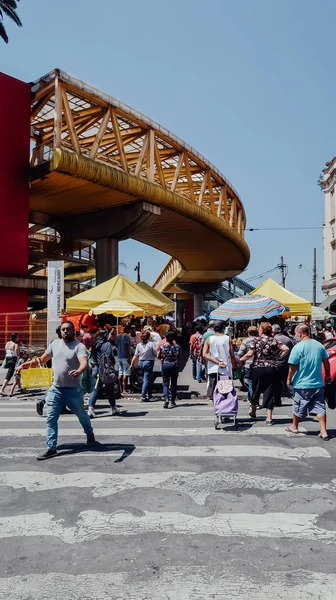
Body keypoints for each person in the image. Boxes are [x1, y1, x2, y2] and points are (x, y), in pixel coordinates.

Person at [18, 320, 95, 460]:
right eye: (63, 329)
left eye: (68, 329)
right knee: (51, 418)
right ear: (60, 331)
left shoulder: (79, 346)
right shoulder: (54, 344)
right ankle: (51, 447)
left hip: (73, 390)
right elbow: (42, 359)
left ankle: (90, 434)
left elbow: (84, 362)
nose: (65, 331)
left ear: (73, 331)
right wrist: (25, 365)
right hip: (56, 389)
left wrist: (78, 371)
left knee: (82, 415)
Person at [286, 324, 331, 439]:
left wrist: (289, 379)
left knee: (298, 405)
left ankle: (294, 426)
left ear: (300, 333)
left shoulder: (298, 347)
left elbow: (293, 366)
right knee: (320, 407)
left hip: (302, 384)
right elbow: (326, 362)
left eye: (296, 333)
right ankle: (323, 431)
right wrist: (328, 375)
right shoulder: (319, 345)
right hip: (317, 383)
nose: (295, 336)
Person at [240, 322, 290, 425]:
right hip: (271, 368)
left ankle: (253, 412)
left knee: (255, 390)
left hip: (257, 368)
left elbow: (249, 354)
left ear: (261, 330)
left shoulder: (256, 340)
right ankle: (269, 418)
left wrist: (239, 360)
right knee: (269, 391)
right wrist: (278, 357)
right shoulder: (274, 340)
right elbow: (286, 349)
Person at [202, 321, 237, 400]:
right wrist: (234, 365)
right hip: (225, 369)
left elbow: (205, 354)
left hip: (213, 369)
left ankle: (216, 407)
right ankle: (223, 408)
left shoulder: (209, 339)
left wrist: (217, 362)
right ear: (223, 328)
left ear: (213, 329)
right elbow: (232, 354)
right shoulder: (228, 339)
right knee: (225, 392)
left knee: (213, 393)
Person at [87, 334, 119, 418]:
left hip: (96, 368)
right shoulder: (107, 345)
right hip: (105, 369)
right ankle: (113, 407)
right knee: (109, 389)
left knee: (96, 389)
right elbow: (110, 357)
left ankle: (90, 408)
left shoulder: (95, 344)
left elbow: (92, 357)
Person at [131, 330, 157, 402]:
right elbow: (155, 353)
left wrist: (131, 364)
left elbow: (135, 355)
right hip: (148, 363)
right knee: (146, 379)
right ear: (148, 337)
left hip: (141, 363)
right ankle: (143, 395)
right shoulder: (151, 344)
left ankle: (149, 394)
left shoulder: (139, 345)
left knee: (147, 379)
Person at [158, 331, 181, 408]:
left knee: (165, 383)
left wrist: (163, 357)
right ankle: (172, 400)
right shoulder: (177, 347)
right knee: (174, 384)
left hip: (165, 365)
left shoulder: (162, 347)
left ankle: (166, 399)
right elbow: (179, 357)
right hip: (174, 365)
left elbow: (158, 356)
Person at [272, 323, 293, 402]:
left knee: (276, 383)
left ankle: (277, 400)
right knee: (288, 382)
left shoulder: (273, 339)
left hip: (276, 364)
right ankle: (295, 398)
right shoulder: (288, 339)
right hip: (287, 364)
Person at [237, 326, 258, 403]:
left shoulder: (246, 341)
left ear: (248, 333)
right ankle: (252, 398)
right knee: (256, 383)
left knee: (250, 383)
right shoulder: (259, 339)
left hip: (248, 364)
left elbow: (240, 353)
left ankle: (253, 400)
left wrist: (239, 360)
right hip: (259, 364)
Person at [115, 325, 132, 394]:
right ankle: (124, 389)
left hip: (119, 356)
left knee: (120, 372)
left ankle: (120, 388)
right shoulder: (127, 336)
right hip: (125, 356)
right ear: (128, 330)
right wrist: (129, 356)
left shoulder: (118, 336)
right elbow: (128, 347)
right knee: (126, 373)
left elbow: (116, 344)